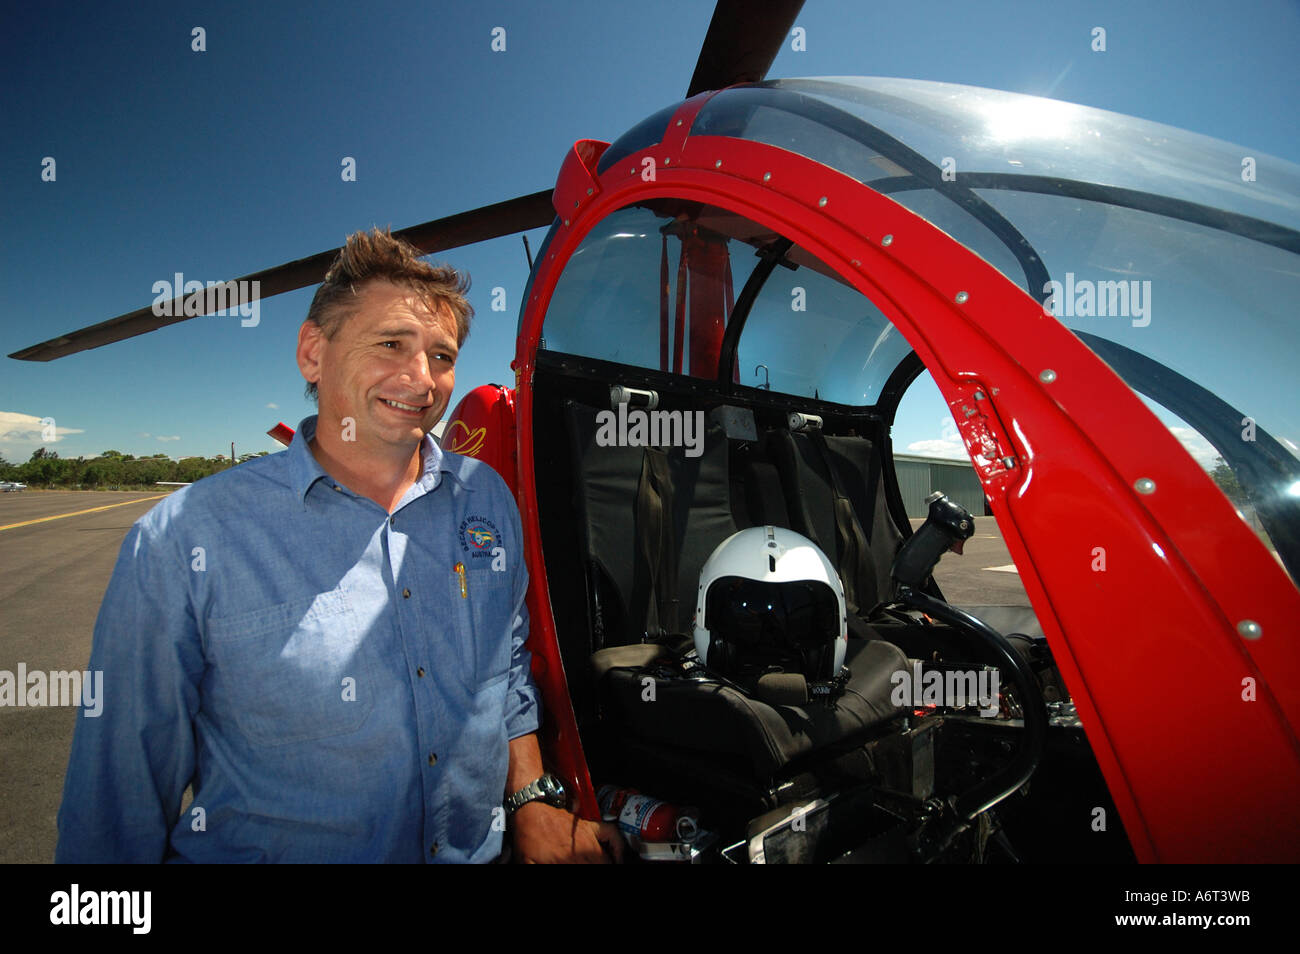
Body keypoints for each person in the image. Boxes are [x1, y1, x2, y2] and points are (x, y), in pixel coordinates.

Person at [56, 228, 621, 863]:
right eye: (390, 344)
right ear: (312, 353)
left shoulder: (485, 498)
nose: (421, 378)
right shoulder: (186, 536)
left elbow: (506, 663)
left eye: (441, 355)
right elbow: (117, 791)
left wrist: (530, 797)